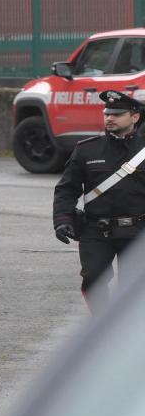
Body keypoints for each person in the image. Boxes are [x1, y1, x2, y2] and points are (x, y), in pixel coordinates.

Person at [53, 89, 145, 311]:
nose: (110, 118)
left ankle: (125, 334)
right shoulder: (87, 149)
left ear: (135, 117)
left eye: (117, 114)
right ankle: (100, 323)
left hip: (138, 230)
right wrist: (63, 219)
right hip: (96, 230)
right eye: (107, 113)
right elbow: (66, 189)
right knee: (93, 280)